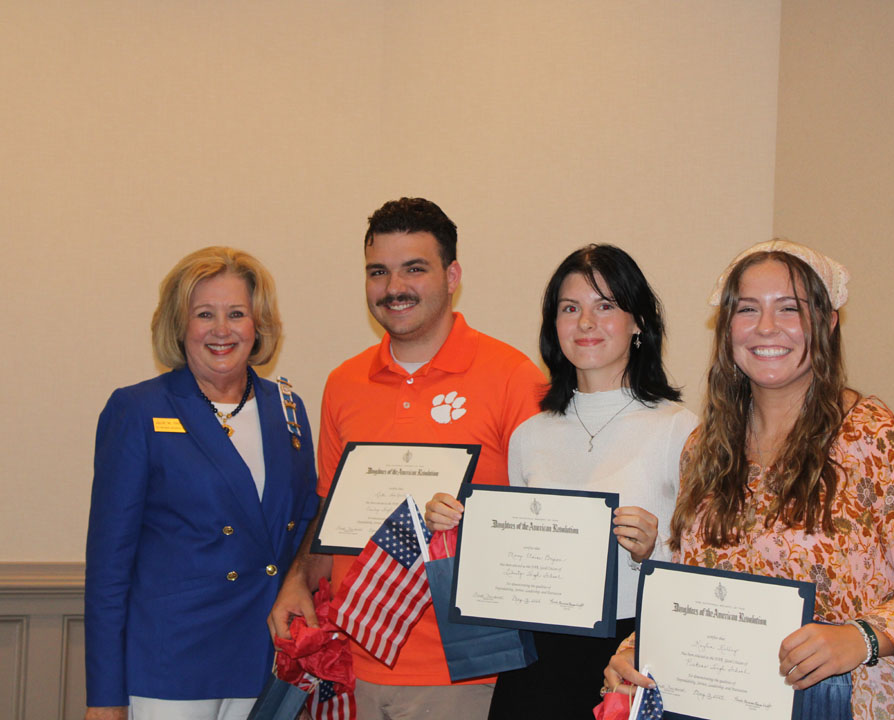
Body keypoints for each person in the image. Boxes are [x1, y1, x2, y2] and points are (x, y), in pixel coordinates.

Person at [603, 239, 894, 720]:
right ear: (727, 327)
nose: (766, 327)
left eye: (789, 308)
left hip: (839, 701)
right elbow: (695, 589)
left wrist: (860, 637)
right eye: (747, 309)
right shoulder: (706, 448)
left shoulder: (874, 439)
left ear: (827, 322)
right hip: (723, 703)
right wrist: (639, 648)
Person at [268, 197, 547, 720]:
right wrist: (297, 580)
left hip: (462, 672)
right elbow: (329, 507)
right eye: (378, 272)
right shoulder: (344, 383)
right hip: (348, 665)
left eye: (414, 269)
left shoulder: (515, 378)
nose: (394, 287)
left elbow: (537, 521)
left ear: (452, 275)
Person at [424, 244, 697, 719]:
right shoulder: (530, 435)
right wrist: (458, 527)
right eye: (570, 309)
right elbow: (515, 558)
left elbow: (706, 564)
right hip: (537, 656)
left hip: (629, 652)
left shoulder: (679, 428)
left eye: (605, 306)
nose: (586, 323)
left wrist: (653, 549)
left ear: (638, 322)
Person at [84, 247, 319, 720]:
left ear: (258, 325)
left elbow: (306, 523)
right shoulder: (138, 410)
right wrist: (105, 698)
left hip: (264, 660)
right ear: (179, 324)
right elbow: (108, 568)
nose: (221, 329)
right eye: (204, 314)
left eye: (237, 313)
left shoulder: (287, 409)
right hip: (170, 665)